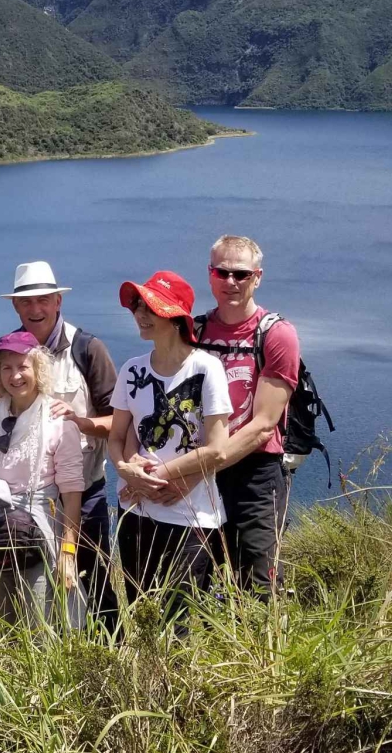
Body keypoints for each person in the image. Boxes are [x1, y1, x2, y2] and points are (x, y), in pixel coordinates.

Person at [107, 270, 231, 634]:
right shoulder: (132, 370)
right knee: (141, 611)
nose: (141, 316)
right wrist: (125, 469)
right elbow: (117, 437)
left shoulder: (206, 368)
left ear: (177, 317)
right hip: (135, 508)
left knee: (179, 621)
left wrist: (153, 477)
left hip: (191, 516)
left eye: (152, 308)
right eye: (137, 306)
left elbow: (218, 449)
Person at [2, 261, 119, 631]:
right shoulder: (7, 354)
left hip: (84, 493)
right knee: (30, 587)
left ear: (57, 301)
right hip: (27, 504)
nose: (35, 310)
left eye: (43, 300)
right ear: (16, 307)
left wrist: (80, 422)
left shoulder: (88, 350)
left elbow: (120, 421)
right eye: (26, 302)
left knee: (94, 579)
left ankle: (109, 655)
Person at [192, 235, 300, 593]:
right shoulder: (194, 331)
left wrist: (204, 463)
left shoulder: (275, 334)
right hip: (203, 469)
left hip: (255, 475)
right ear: (210, 275)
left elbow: (263, 426)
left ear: (257, 277)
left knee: (258, 579)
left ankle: (261, 648)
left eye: (240, 274)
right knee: (194, 577)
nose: (230, 282)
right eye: (222, 273)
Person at [0, 331, 83, 628]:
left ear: (38, 369)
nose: (15, 376)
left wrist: (68, 553)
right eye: (6, 367)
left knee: (41, 626)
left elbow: (71, 492)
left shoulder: (58, 422)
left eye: (23, 366)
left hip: (41, 535)